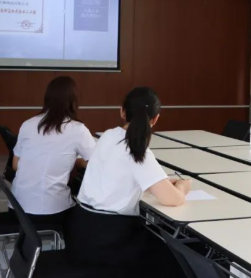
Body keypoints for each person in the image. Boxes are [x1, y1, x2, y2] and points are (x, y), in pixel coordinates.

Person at [66, 87, 190, 276]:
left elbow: (117, 176)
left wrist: (152, 184)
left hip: (81, 232)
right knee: (176, 258)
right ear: (155, 119)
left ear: (122, 111)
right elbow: (173, 200)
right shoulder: (138, 150)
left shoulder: (108, 136)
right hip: (111, 242)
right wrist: (182, 186)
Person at [11, 76, 95, 226]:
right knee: (87, 213)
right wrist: (78, 162)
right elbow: (96, 164)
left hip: (17, 210)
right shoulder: (78, 129)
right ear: (73, 101)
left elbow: (15, 165)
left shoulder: (28, 124)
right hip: (50, 213)